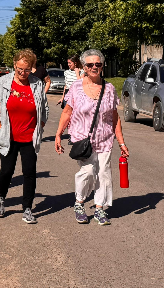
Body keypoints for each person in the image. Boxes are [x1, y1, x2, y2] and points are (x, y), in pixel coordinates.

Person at [54, 49, 129, 225]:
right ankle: (79, 202)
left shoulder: (109, 89)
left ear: (102, 66)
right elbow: (67, 112)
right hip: (83, 139)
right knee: (87, 172)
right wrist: (58, 134)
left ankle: (99, 208)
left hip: (104, 138)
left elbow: (115, 118)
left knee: (104, 173)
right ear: (84, 67)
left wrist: (122, 142)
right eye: (90, 64)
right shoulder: (76, 88)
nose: (94, 67)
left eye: (98, 64)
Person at [0, 49, 49, 224]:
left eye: (27, 70)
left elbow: (45, 110)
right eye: (20, 69)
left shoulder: (37, 84)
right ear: (14, 65)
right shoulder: (4, 82)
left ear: (32, 68)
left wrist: (40, 127)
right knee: (7, 171)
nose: (23, 73)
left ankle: (28, 208)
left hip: (29, 138)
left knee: (29, 172)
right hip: (9, 136)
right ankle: (0, 197)